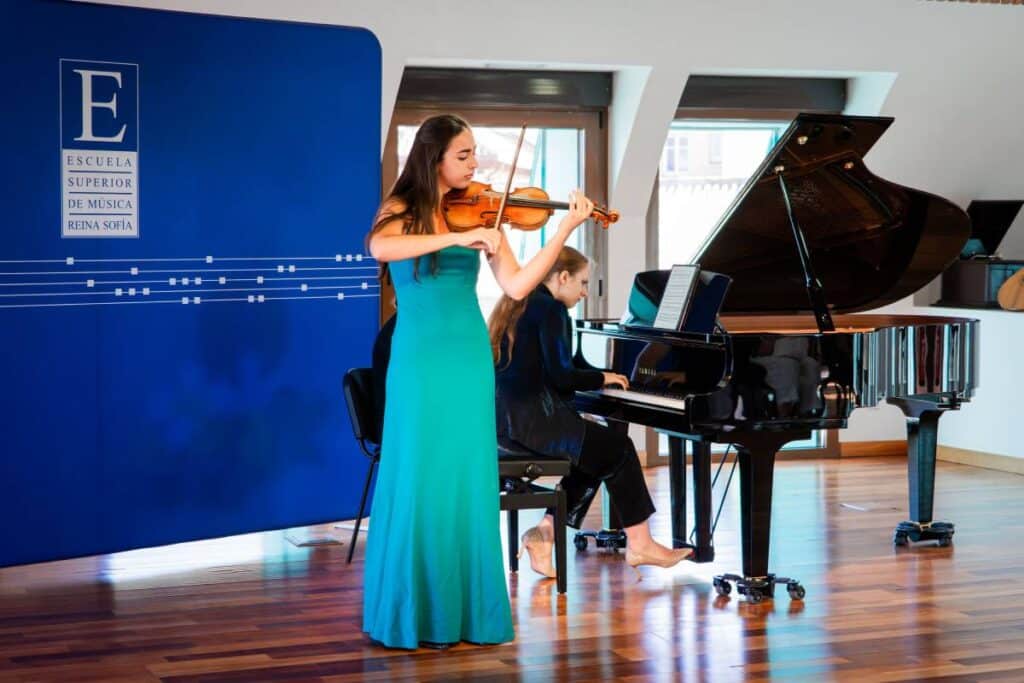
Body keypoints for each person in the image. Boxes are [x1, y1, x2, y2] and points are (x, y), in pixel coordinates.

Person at [362, 114, 597, 650]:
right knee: (421, 476)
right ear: (434, 157)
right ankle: (413, 613)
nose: (474, 165)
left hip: (468, 358)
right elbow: (380, 248)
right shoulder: (401, 211)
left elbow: (516, 283)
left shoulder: (486, 215)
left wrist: (562, 229)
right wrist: (460, 233)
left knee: (465, 481)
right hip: (420, 360)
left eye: (474, 154)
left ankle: (465, 614)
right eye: (464, 155)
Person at [488, 246, 693, 580]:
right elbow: (563, 376)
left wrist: (597, 381)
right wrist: (602, 378)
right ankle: (641, 544)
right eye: (582, 282)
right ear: (563, 277)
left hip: (507, 422)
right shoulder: (551, 310)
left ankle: (545, 532)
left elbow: (555, 369)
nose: (585, 291)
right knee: (620, 450)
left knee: (596, 450)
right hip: (533, 423)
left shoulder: (519, 304)